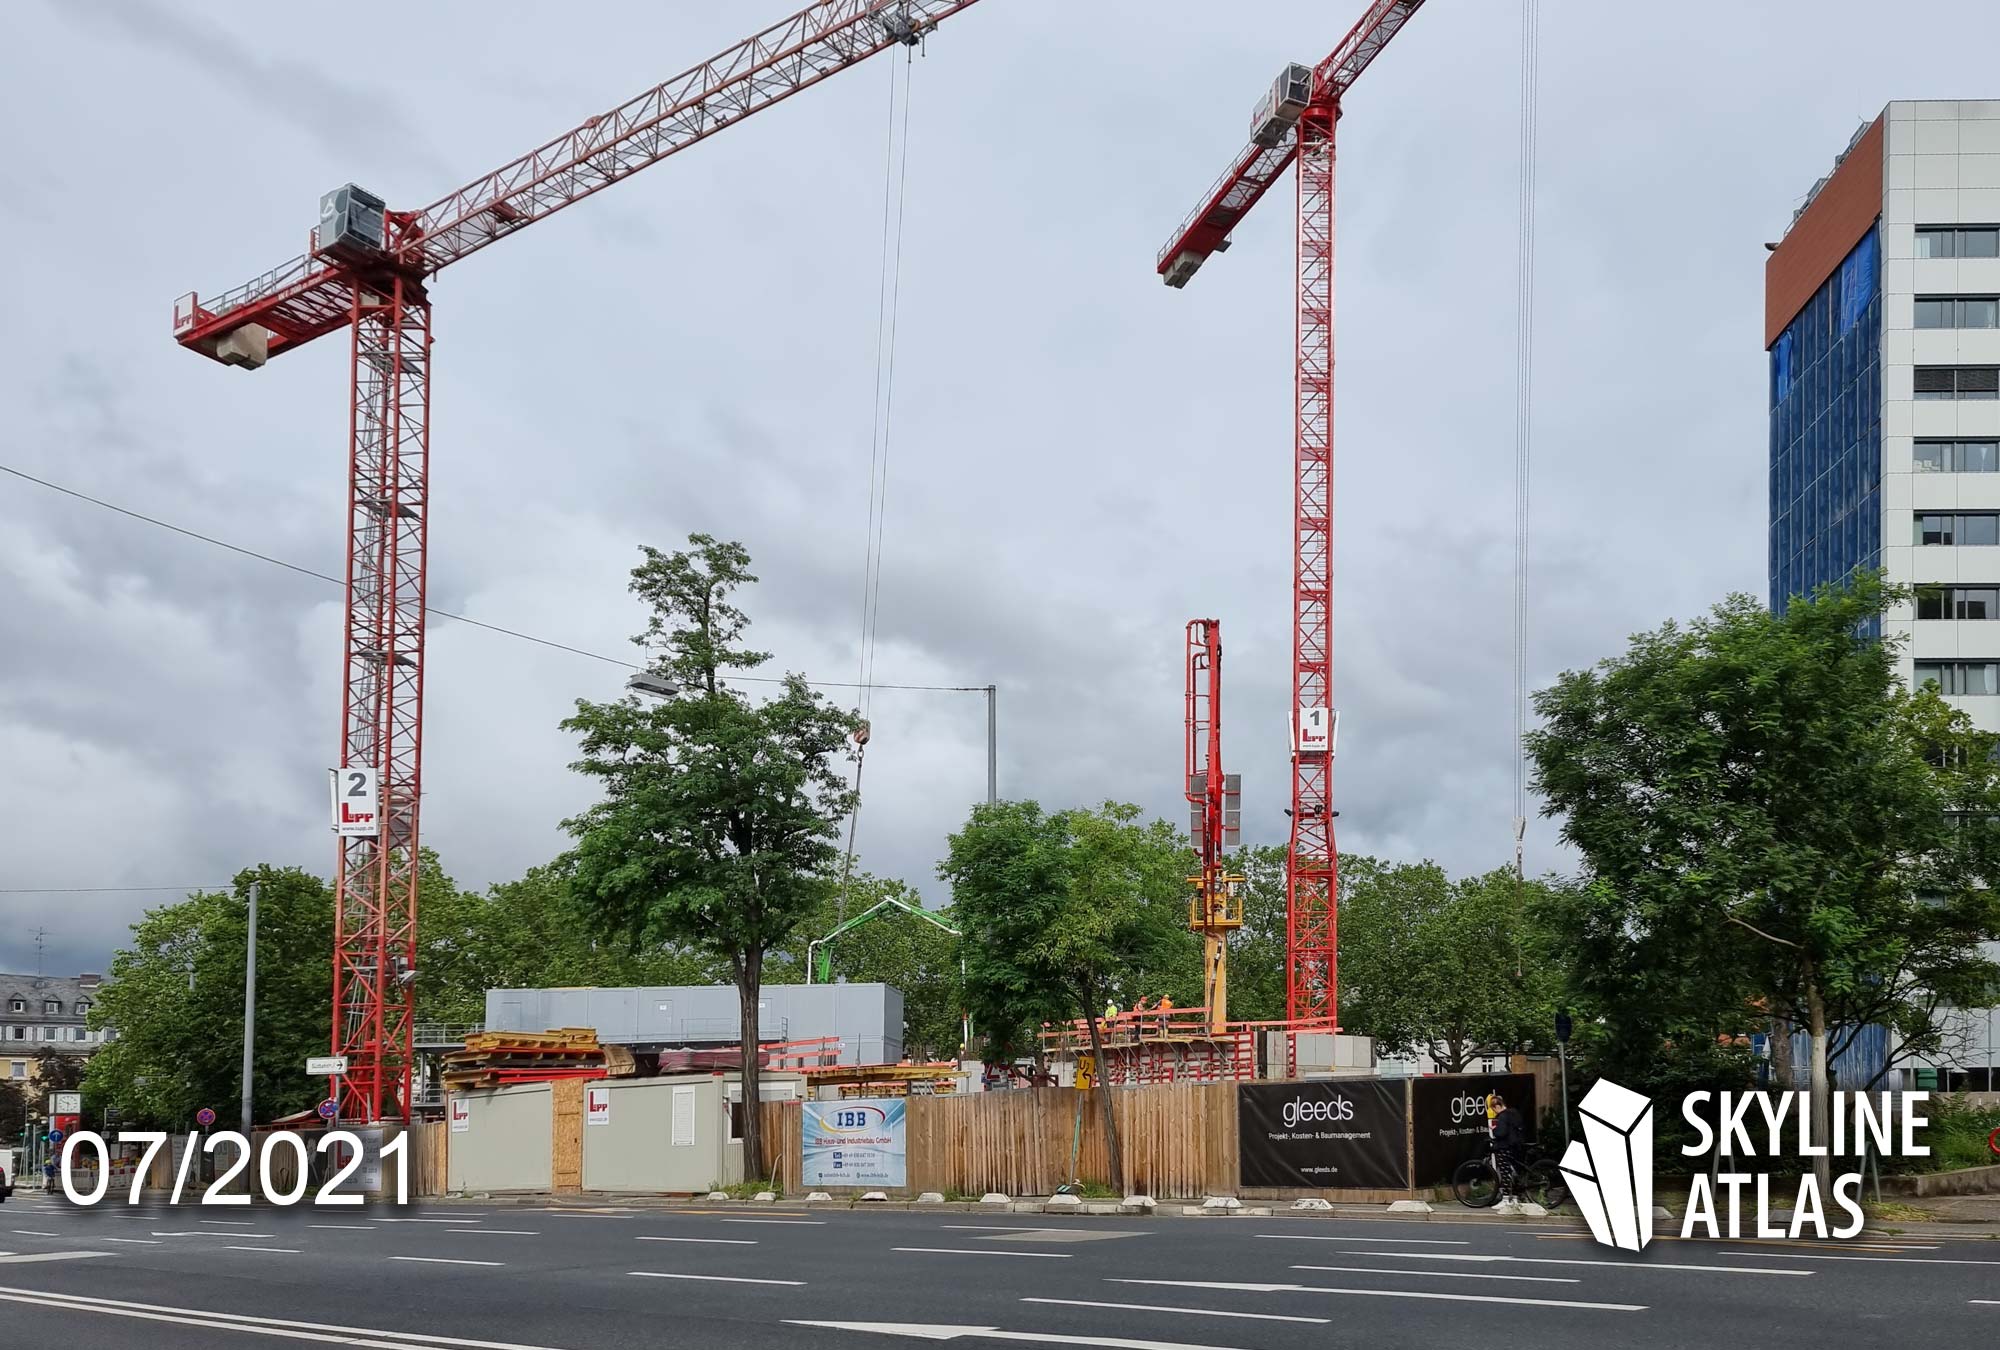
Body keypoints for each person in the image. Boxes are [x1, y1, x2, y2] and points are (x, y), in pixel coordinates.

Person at [1488, 1091, 1527, 1200]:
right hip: (1516, 1145)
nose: (1494, 1112)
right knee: (1514, 1171)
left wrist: (1494, 1129)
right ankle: (1515, 1196)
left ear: (1497, 1106)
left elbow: (1502, 1132)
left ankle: (1505, 1198)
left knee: (1505, 1172)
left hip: (1505, 1146)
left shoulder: (1503, 1116)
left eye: (1494, 1109)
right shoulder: (1514, 1113)